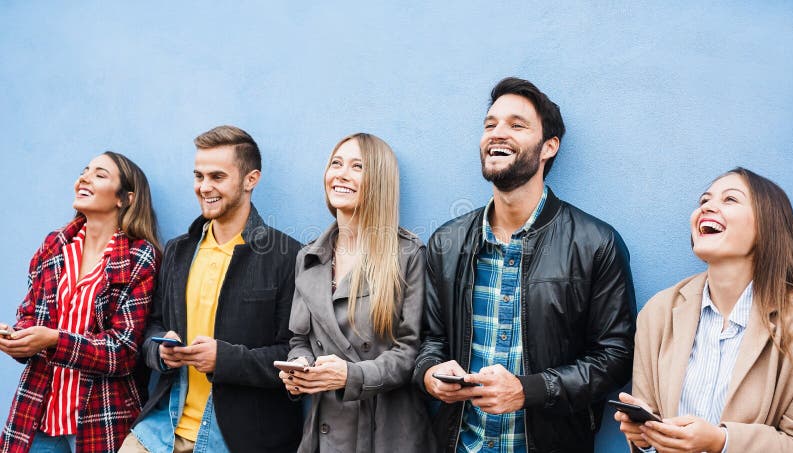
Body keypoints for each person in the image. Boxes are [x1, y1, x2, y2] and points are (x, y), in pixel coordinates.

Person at [414, 77, 637, 452]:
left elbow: (616, 357)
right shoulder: (446, 242)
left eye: (516, 125)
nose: (497, 134)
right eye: (490, 124)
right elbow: (431, 340)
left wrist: (528, 390)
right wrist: (429, 374)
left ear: (549, 146)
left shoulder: (596, 243)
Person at [118, 126, 303, 453]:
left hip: (237, 437)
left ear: (251, 180)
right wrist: (159, 350)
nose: (204, 187)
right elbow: (152, 326)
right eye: (198, 176)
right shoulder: (178, 251)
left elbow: (294, 354)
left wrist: (225, 359)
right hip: (163, 426)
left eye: (217, 177)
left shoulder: (287, 255)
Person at [616, 167, 793, 452]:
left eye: (730, 200)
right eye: (704, 201)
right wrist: (645, 439)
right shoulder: (659, 312)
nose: (708, 207)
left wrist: (721, 442)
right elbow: (648, 429)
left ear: (767, 225)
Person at [280, 133, 434, 452]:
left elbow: (411, 351)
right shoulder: (309, 258)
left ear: (378, 180)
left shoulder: (407, 255)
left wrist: (351, 375)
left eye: (357, 166)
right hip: (325, 433)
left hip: (388, 433)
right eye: (336, 163)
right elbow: (299, 341)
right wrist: (300, 368)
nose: (341, 174)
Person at [0, 152, 160, 453]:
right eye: (85, 171)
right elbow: (30, 313)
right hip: (37, 412)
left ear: (124, 198)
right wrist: (19, 338)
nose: (84, 178)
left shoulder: (140, 258)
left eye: (100, 175)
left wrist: (54, 340)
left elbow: (122, 351)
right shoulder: (53, 246)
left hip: (99, 419)